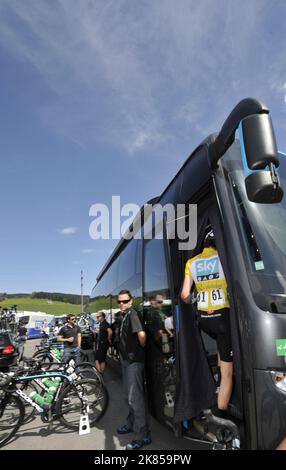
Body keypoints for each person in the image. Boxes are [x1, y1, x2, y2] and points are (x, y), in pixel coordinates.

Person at [181, 229, 233, 417]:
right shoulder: (224, 258)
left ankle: (218, 386)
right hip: (223, 318)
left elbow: (185, 295)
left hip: (205, 319)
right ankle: (221, 413)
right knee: (229, 370)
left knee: (221, 348)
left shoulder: (191, 262)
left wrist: (199, 298)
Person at [116, 290, 151, 450]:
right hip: (126, 362)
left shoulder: (133, 315)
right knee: (128, 397)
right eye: (120, 301)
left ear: (131, 301)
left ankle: (142, 436)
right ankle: (130, 424)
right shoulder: (124, 315)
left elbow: (142, 335)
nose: (122, 304)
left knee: (135, 399)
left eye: (125, 301)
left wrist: (138, 350)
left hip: (133, 362)